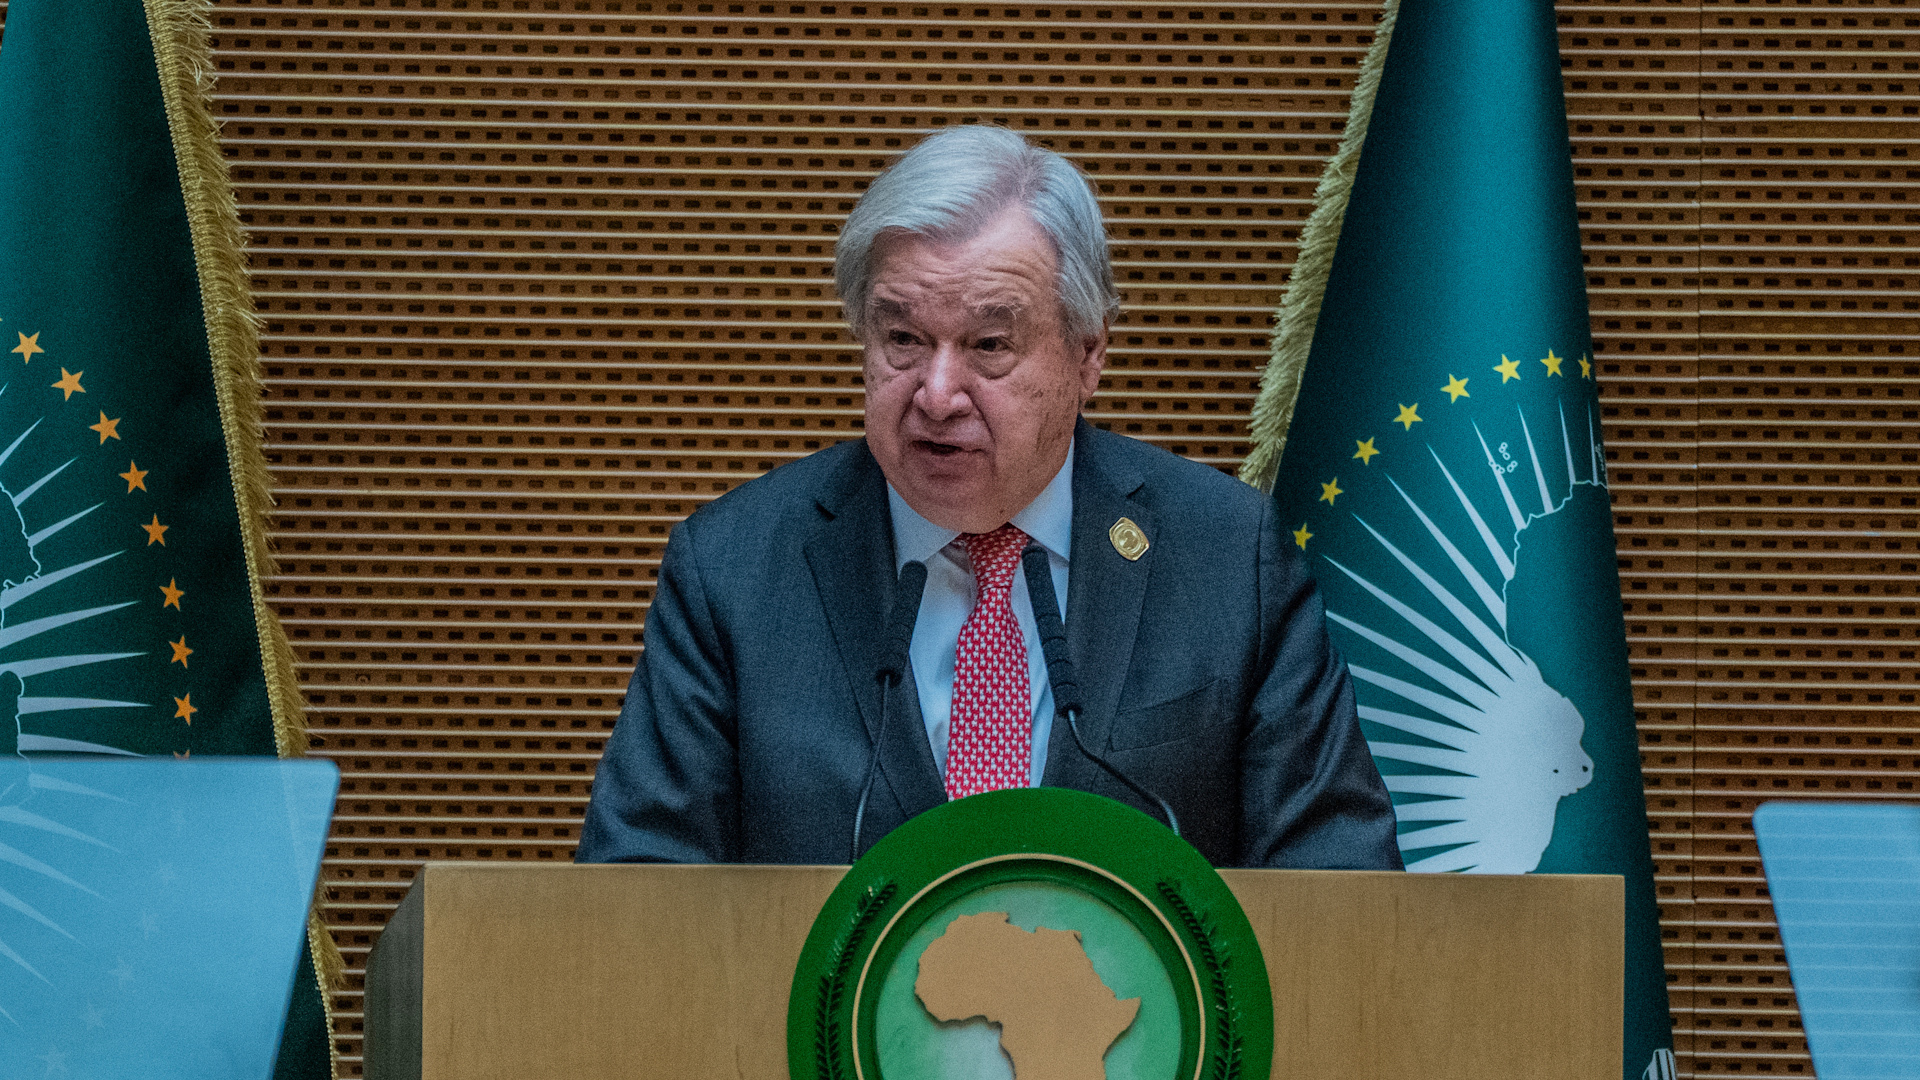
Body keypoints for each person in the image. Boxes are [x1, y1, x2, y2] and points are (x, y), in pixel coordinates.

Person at [576, 125, 1401, 869]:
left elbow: (1337, 886)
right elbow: (638, 893)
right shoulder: (733, 570)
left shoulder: (1226, 556)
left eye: (989, 345)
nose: (937, 394)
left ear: (1088, 356)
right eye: (903, 339)